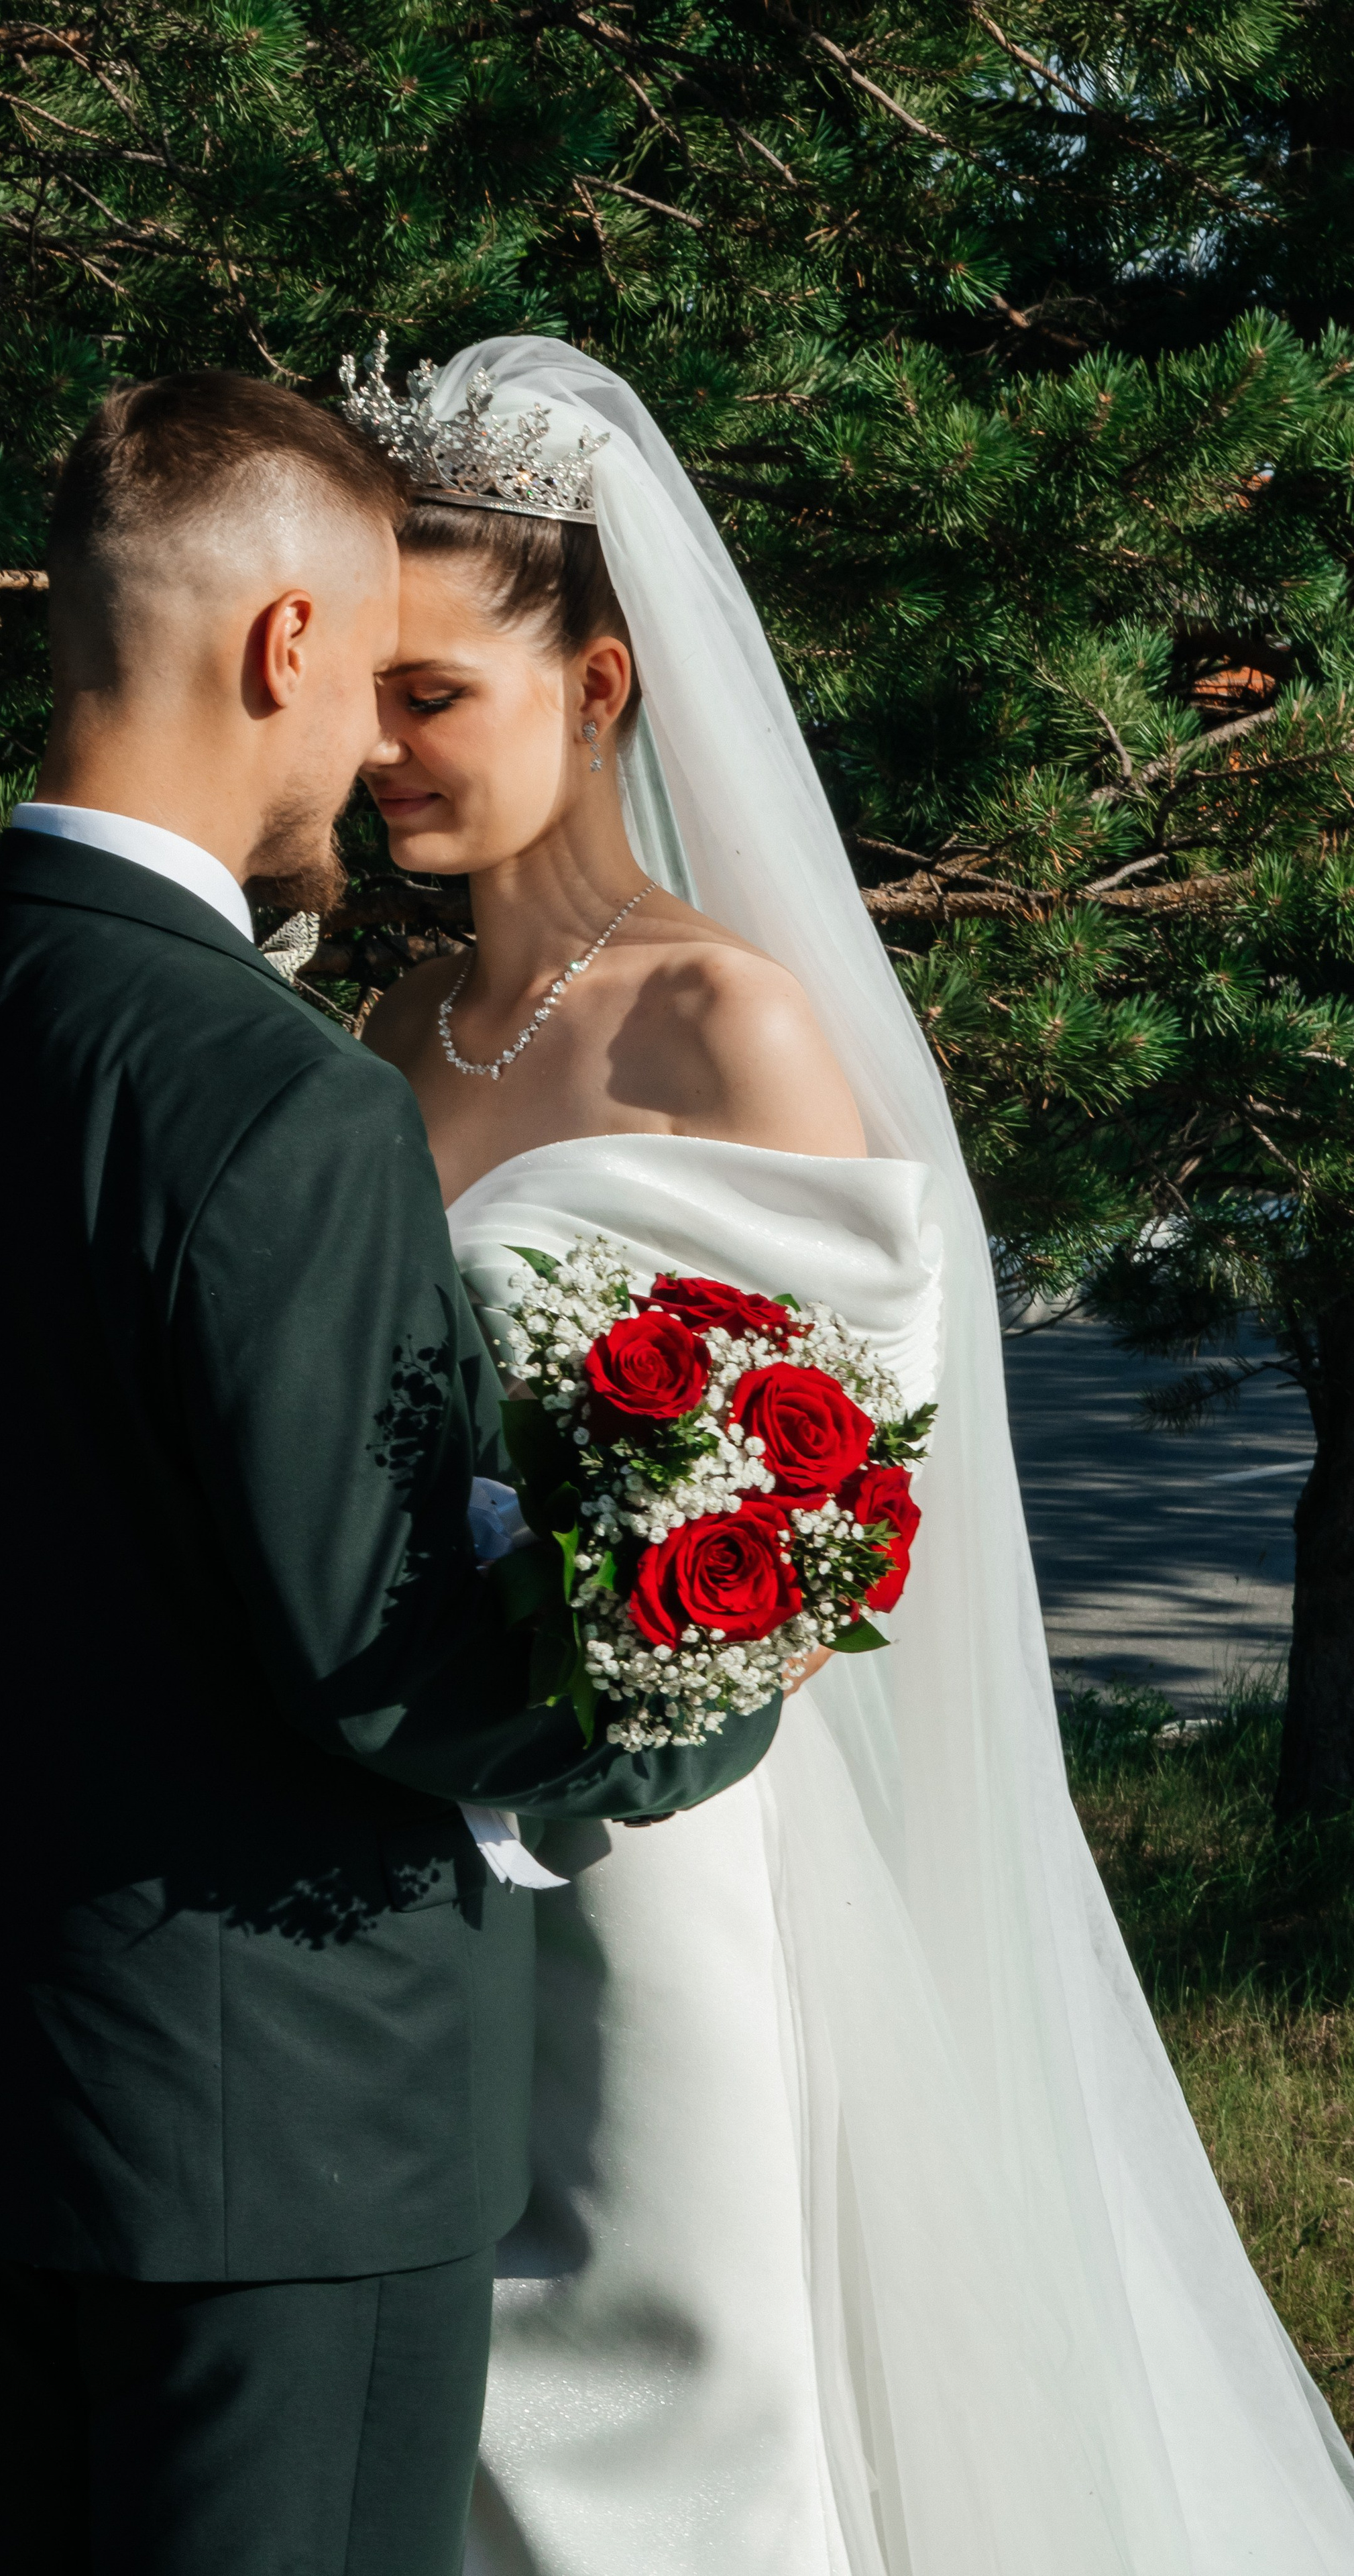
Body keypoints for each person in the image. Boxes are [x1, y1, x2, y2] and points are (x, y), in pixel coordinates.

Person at [0, 368, 781, 2576]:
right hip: (295, 2131)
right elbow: (396, 1666)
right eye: (363, 685)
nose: (368, 762)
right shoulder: (280, 1100)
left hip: (21, 2095)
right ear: (283, 648)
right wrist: (710, 1680)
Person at [347, 336, 1354, 2576]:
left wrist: (617, 1697)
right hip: (423, 1829)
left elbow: (853, 1507)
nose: (375, 746)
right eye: (364, 696)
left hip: (672, 1838)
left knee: (678, 2406)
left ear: (598, 680)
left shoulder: (729, 1015)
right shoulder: (387, 1032)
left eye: (432, 695)